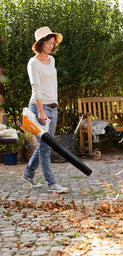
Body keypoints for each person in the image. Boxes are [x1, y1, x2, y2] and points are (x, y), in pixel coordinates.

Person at [22, 26, 69, 193]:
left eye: (53, 43)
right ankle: (52, 183)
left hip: (53, 108)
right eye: (48, 43)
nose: (51, 46)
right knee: (45, 146)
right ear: (40, 43)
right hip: (39, 108)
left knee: (45, 145)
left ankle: (28, 173)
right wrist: (41, 111)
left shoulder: (52, 60)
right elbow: (36, 88)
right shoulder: (33, 63)